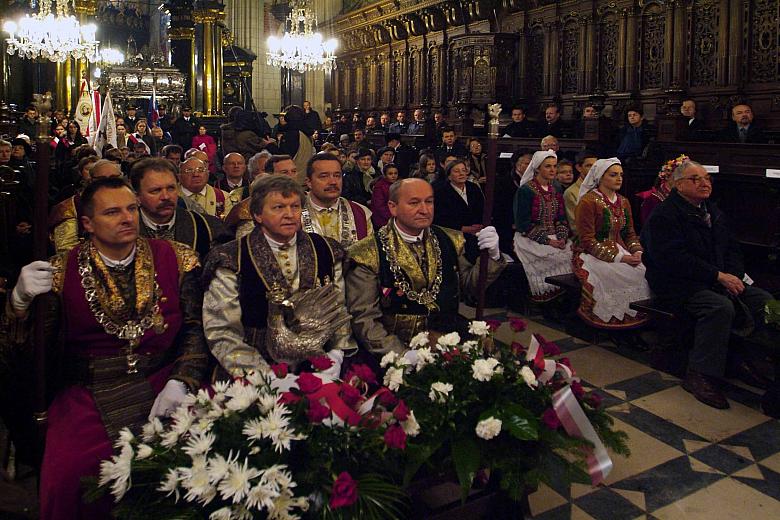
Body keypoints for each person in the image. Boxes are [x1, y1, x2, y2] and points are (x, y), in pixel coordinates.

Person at [6, 176, 208, 518]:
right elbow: (27, 354)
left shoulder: (177, 257)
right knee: (69, 477)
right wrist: (18, 303)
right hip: (87, 390)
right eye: (112, 212)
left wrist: (183, 379)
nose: (127, 218)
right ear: (87, 223)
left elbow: (195, 329)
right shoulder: (60, 271)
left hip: (164, 379)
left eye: (131, 209)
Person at [641, 160, 779, 413]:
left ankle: (747, 356)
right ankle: (700, 373)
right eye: (696, 179)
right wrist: (718, 276)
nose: (704, 183)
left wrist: (733, 276)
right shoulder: (665, 215)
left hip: (717, 279)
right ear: (678, 185)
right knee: (719, 307)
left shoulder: (712, 211)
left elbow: (732, 249)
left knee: (766, 302)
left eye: (707, 178)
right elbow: (673, 259)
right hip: (678, 284)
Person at [202, 175, 355, 376]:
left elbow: (339, 308)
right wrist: (263, 376)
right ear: (258, 214)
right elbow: (222, 329)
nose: (289, 214)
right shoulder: (231, 257)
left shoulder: (326, 249)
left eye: (295, 207)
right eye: (278, 208)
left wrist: (335, 355)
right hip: (253, 366)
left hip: (319, 363)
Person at [346, 178, 505, 354]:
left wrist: (492, 256)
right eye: (414, 203)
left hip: (450, 337)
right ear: (393, 207)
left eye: (429, 201)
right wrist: (402, 357)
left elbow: (470, 286)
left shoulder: (449, 239)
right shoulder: (367, 252)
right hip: (395, 346)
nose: (424, 209)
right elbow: (365, 319)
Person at [573, 158, 650, 329]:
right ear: (600, 177)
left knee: (642, 271)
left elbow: (629, 233)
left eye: (621, 175)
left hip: (619, 249)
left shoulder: (623, 201)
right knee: (615, 275)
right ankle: (610, 320)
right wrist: (620, 259)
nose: (619, 178)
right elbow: (587, 240)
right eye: (613, 175)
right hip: (590, 254)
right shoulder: (588, 201)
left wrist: (637, 251)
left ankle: (633, 321)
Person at [132, 157, 232, 257]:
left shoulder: (208, 227)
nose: (166, 196)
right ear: (137, 197)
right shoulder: (123, 231)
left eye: (171, 188)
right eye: (156, 191)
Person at [513, 150, 572, 302]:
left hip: (555, 236)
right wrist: (549, 241)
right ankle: (547, 299)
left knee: (572, 254)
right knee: (552, 257)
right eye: (548, 166)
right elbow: (523, 224)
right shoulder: (526, 191)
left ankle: (565, 299)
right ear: (538, 168)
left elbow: (560, 217)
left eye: (554, 166)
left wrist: (562, 237)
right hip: (530, 237)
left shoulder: (556, 189)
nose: (553, 170)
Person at [49, 160, 123, 253]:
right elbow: (66, 251)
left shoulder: (129, 202)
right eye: (102, 179)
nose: (108, 183)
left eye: (114, 178)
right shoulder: (71, 207)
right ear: (91, 180)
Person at [301, 152, 373, 248]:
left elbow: (370, 256)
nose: (333, 182)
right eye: (324, 176)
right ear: (309, 182)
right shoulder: (293, 214)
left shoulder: (360, 213)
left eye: (337, 175)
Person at [433, 160, 485, 245]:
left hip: (478, 232)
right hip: (454, 235)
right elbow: (439, 218)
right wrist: (463, 228)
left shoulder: (473, 187)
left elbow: (482, 208)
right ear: (449, 176)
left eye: (463, 170)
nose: (461, 174)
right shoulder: (441, 192)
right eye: (457, 171)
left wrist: (478, 225)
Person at [493, 150, 531, 257]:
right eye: (527, 163)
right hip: (509, 227)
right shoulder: (503, 182)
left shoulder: (534, 182)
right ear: (517, 165)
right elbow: (499, 209)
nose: (531, 166)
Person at [637, 155, 686, 225]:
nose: (681, 180)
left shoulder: (685, 197)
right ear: (667, 176)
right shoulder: (652, 200)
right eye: (678, 176)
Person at [564, 150, 598, 236]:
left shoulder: (601, 189)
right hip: (584, 238)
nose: (593, 169)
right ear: (579, 168)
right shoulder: (571, 192)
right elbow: (575, 225)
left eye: (595, 166)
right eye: (589, 166)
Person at [371, 163, 398, 228]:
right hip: (382, 220)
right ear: (385, 175)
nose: (393, 176)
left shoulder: (399, 184)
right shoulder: (379, 187)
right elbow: (380, 206)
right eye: (390, 174)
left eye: (395, 173)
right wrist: (393, 217)